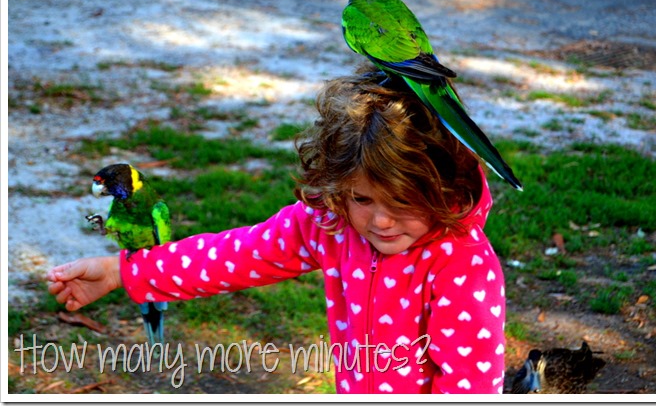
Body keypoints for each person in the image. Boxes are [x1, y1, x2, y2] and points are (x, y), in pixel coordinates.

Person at [47, 68, 507, 394]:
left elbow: (471, 381)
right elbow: (237, 255)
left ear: (446, 185)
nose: (381, 221)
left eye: (402, 203)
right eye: (363, 198)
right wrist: (123, 271)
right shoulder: (334, 223)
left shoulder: (460, 261)